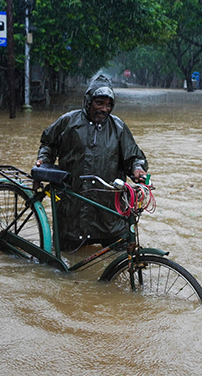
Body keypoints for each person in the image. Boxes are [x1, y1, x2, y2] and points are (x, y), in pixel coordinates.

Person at [36, 75, 148, 251]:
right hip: (73, 210)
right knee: (65, 264)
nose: (104, 109)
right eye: (99, 103)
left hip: (109, 213)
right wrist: (44, 161)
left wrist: (137, 169)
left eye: (108, 105)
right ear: (88, 101)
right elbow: (48, 143)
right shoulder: (69, 121)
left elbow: (133, 156)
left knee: (121, 259)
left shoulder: (118, 127)